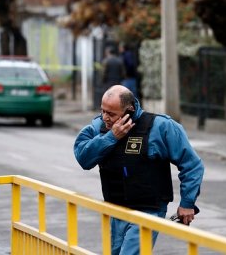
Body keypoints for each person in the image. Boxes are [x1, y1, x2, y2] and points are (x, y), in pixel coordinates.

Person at [73, 85, 204, 255]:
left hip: (147, 210)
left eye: (111, 113)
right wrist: (110, 137)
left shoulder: (161, 126)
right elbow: (84, 158)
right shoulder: (99, 126)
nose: (105, 117)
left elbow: (192, 165)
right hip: (115, 210)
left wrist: (187, 203)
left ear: (129, 110)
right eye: (103, 111)